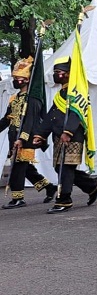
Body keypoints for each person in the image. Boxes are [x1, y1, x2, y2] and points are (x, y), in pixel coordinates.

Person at [33, 57, 97, 214]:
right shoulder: (61, 93)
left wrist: (68, 131)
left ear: (69, 74)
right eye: (55, 72)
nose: (56, 75)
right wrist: (41, 135)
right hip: (58, 136)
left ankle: (64, 200)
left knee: (66, 168)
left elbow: (76, 115)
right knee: (59, 167)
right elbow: (52, 115)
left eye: (59, 72)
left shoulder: (75, 92)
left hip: (71, 136)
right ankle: (91, 186)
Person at [0, 57, 56, 208]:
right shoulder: (15, 98)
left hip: (25, 138)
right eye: (15, 77)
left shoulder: (33, 99)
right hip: (14, 137)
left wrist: (22, 139)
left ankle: (18, 198)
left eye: (19, 78)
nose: (16, 80)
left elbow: (30, 121)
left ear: (26, 79)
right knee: (25, 168)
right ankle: (49, 187)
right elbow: (7, 119)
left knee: (17, 168)